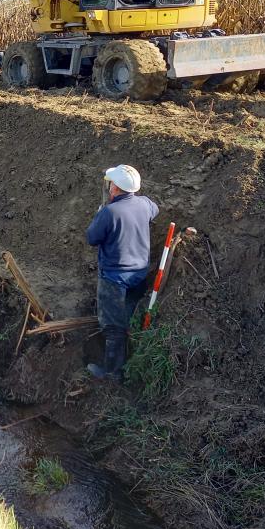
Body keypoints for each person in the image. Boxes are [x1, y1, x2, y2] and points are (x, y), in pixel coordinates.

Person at [85, 164, 159, 382]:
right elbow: (155, 210)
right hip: (139, 275)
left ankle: (112, 372)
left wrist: (100, 216)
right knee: (127, 315)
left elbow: (92, 238)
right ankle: (129, 355)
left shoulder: (109, 213)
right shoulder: (145, 204)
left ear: (115, 188)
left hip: (114, 278)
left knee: (113, 326)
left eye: (111, 184)